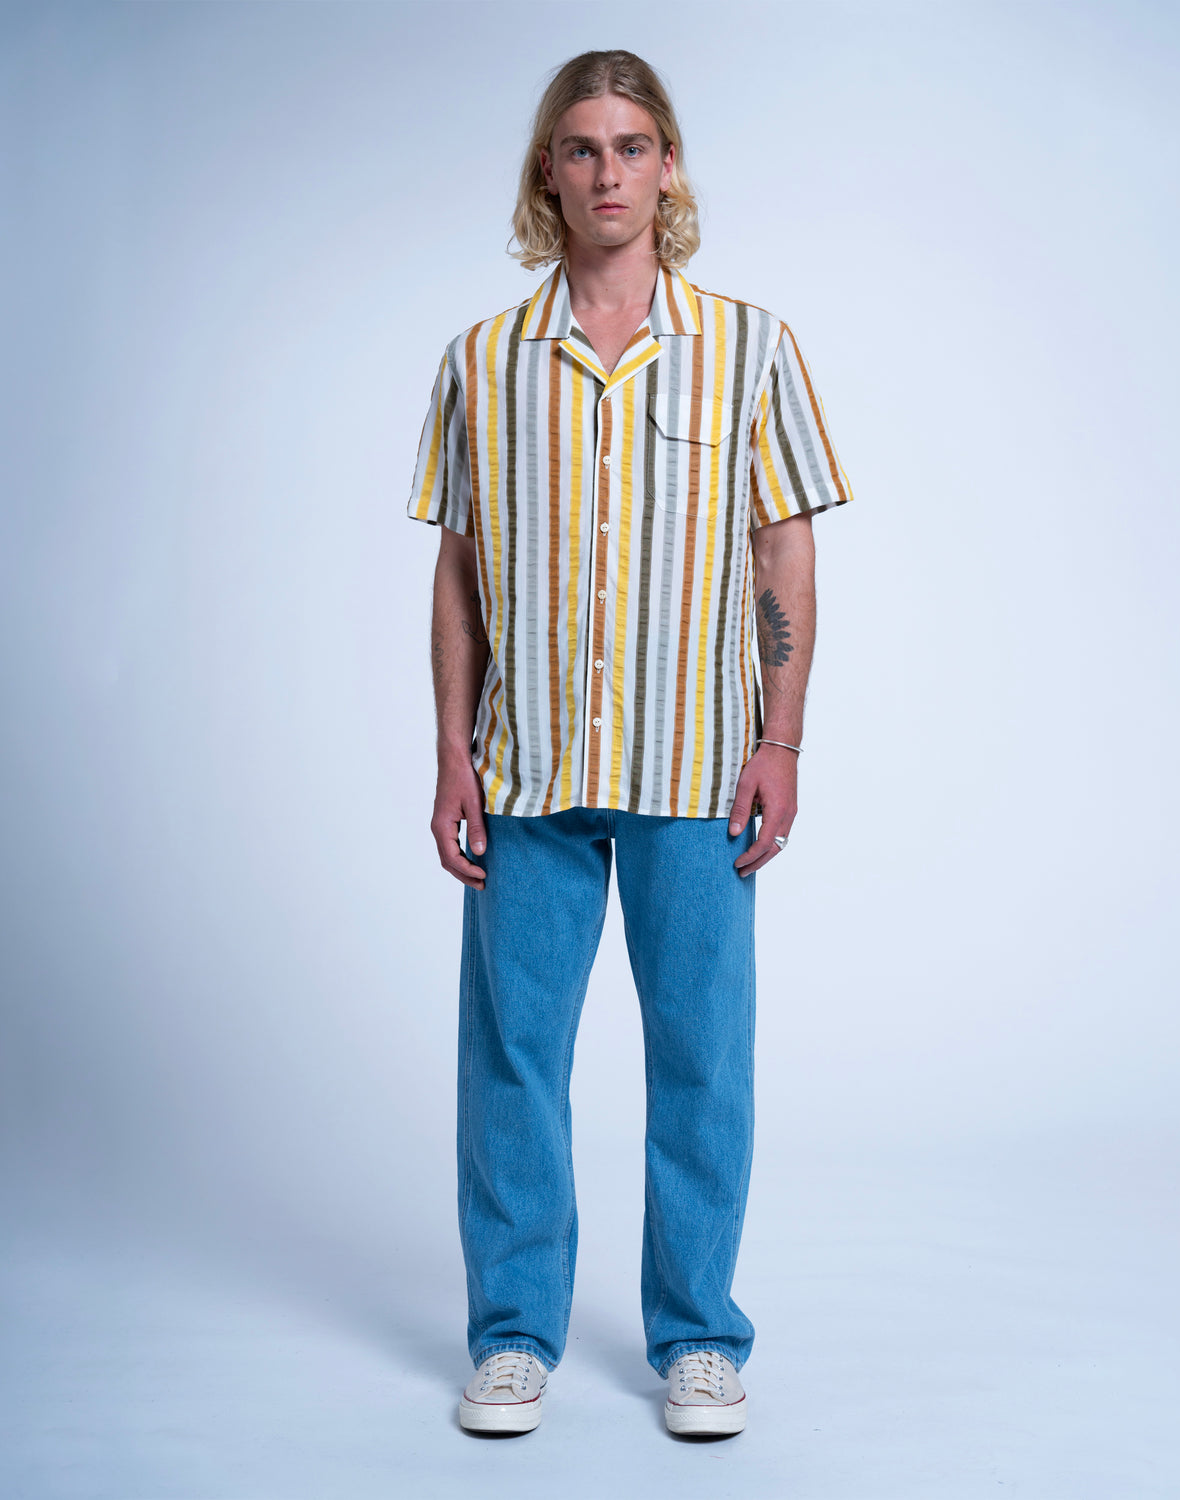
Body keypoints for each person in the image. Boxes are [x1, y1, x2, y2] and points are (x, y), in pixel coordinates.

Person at [406, 48, 853, 1438]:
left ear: (669, 168)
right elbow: (459, 573)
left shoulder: (752, 346)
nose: (609, 172)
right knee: (514, 1064)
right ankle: (513, 1336)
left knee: (703, 1059)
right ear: (549, 171)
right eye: (583, 147)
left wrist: (783, 739)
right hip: (528, 770)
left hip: (694, 771)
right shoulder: (483, 360)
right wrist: (452, 754)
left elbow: (784, 551)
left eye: (634, 145)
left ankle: (699, 1338)